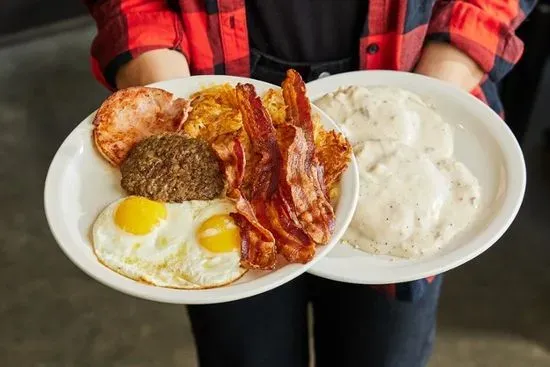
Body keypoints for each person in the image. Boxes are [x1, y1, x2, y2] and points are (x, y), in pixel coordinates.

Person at [85, 1, 535, 366]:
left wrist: (443, 80)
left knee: (384, 353)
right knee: (245, 349)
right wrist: (166, 85)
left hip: (412, 99)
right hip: (215, 102)